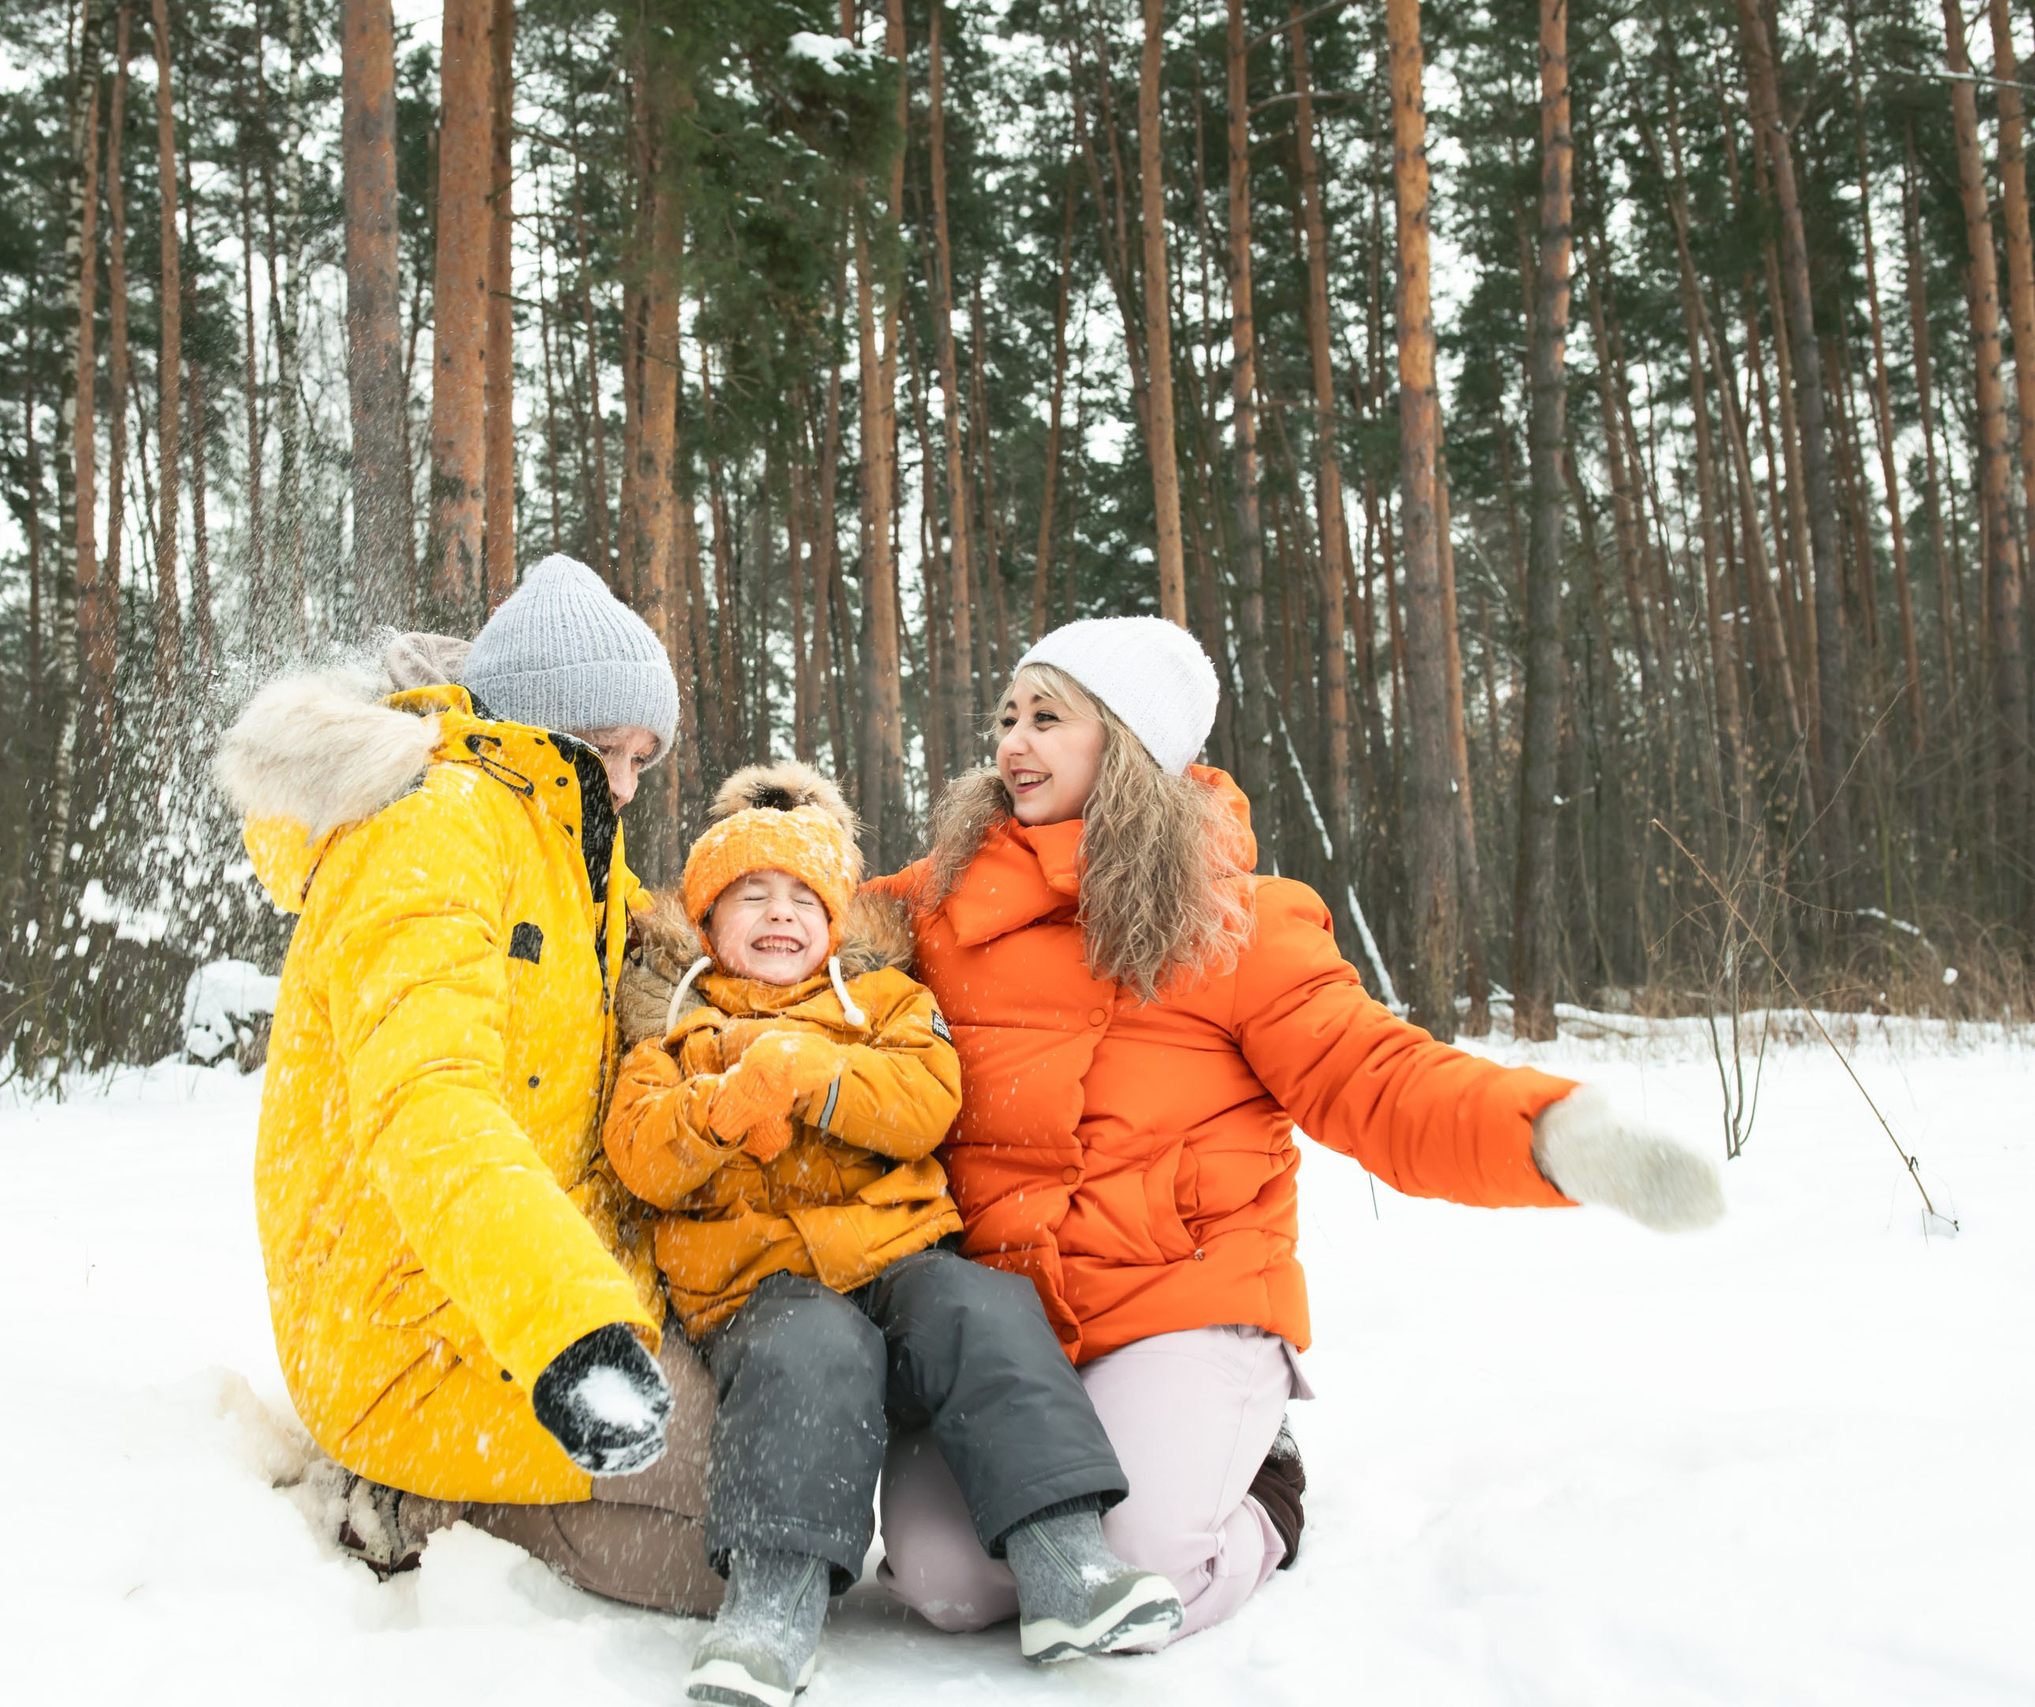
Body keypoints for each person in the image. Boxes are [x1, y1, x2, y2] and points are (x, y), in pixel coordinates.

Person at [870, 616, 1725, 1641]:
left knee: (1140, 1570)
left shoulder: (1236, 920)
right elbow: (779, 918)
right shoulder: (941, 904)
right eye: (1007, 716)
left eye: (1049, 718)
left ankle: (1259, 1497)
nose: (1012, 742)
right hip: (1007, 1332)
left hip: (1179, 1308)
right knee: (946, 1582)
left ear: (1133, 743)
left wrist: (1550, 1135)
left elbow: (1375, 1076)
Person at [606, 762, 1186, 1707]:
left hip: (896, 1258)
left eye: (803, 896)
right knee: (808, 1346)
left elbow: (925, 1102)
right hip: (759, 1283)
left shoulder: (884, 1006)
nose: (780, 914)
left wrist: (817, 1076)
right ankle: (773, 1599)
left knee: (981, 1308)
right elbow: (639, 1154)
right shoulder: (672, 1036)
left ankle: (1065, 1555)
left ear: (836, 922)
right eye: (751, 896)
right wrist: (715, 1113)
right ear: (709, 925)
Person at [216, 553, 722, 1615]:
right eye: (614, 752)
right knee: (727, 1532)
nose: (629, 785)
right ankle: (407, 1501)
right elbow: (431, 1106)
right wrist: (571, 1333)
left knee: (786, 1468)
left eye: (643, 759)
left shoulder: (558, 842)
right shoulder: (430, 835)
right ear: (551, 732)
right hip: (418, 1332)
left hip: (522, 1290)